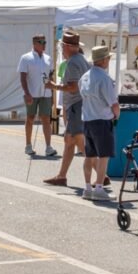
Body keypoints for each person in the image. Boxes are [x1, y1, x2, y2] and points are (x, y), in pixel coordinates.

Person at [44, 31, 88, 186]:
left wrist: (53, 86)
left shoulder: (73, 62)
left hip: (76, 105)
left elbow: (73, 87)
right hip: (79, 105)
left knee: (77, 140)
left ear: (68, 47)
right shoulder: (82, 59)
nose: (61, 49)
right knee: (70, 140)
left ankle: (102, 174)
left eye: (62, 46)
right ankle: (61, 176)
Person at [77, 46, 118, 201]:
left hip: (88, 120)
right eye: (108, 58)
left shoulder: (85, 76)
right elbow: (113, 103)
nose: (109, 60)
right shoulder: (105, 79)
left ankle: (87, 188)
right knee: (104, 156)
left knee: (89, 155)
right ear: (102, 60)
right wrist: (116, 116)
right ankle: (99, 188)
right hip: (102, 120)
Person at [17, 34, 55, 157]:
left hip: (46, 94)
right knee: (30, 118)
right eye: (41, 42)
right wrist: (27, 93)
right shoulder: (26, 58)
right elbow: (22, 77)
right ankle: (28, 145)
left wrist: (53, 93)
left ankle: (48, 147)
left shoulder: (48, 58)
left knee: (46, 119)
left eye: (45, 42)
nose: (44, 44)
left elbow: (50, 76)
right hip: (31, 94)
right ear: (35, 43)